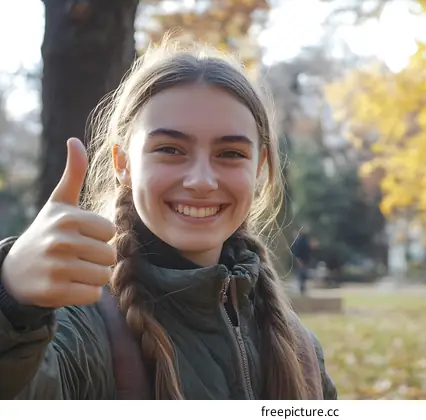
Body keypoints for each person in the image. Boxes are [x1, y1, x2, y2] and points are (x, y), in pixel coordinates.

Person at [0, 39, 337, 400]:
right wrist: (11, 305)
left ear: (259, 168)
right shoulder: (77, 325)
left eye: (230, 153)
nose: (202, 181)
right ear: (122, 163)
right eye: (170, 149)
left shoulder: (298, 349)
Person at [291, 228, 312, 295]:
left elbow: (297, 251)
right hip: (303, 260)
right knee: (302, 274)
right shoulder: (304, 242)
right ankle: (301, 288)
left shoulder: (299, 241)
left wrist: (298, 259)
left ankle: (301, 288)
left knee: (301, 274)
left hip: (301, 260)